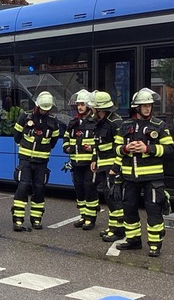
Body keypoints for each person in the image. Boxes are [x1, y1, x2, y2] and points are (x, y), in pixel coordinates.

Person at [114, 88, 174, 257]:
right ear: (137, 107)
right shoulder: (125, 126)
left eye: (149, 105)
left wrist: (148, 149)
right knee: (129, 209)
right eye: (144, 106)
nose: (148, 108)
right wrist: (126, 148)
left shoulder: (159, 125)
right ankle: (133, 240)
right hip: (129, 176)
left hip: (152, 177)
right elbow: (116, 149)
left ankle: (155, 245)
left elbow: (170, 149)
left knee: (153, 210)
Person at [11, 91, 62, 231]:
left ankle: (36, 219)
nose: (45, 112)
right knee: (23, 186)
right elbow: (16, 135)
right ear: (37, 105)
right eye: (42, 109)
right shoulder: (25, 116)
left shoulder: (53, 121)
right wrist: (23, 146)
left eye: (47, 109)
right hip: (25, 159)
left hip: (42, 161)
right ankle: (18, 219)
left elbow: (54, 140)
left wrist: (43, 150)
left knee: (39, 189)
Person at [91, 91, 125, 242]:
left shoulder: (115, 123)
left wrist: (115, 167)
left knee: (114, 198)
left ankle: (119, 230)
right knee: (108, 197)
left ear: (99, 108)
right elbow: (97, 144)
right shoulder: (100, 122)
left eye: (93, 107)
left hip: (112, 167)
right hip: (104, 166)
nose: (91, 109)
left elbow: (121, 147)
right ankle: (113, 227)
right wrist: (94, 159)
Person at [63, 89, 98, 230]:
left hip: (89, 163)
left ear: (88, 105)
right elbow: (66, 138)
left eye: (82, 104)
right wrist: (67, 147)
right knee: (79, 189)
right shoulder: (73, 123)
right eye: (78, 104)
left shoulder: (95, 122)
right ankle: (83, 215)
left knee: (90, 189)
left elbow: (101, 142)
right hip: (76, 163)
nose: (80, 107)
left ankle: (91, 218)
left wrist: (92, 148)